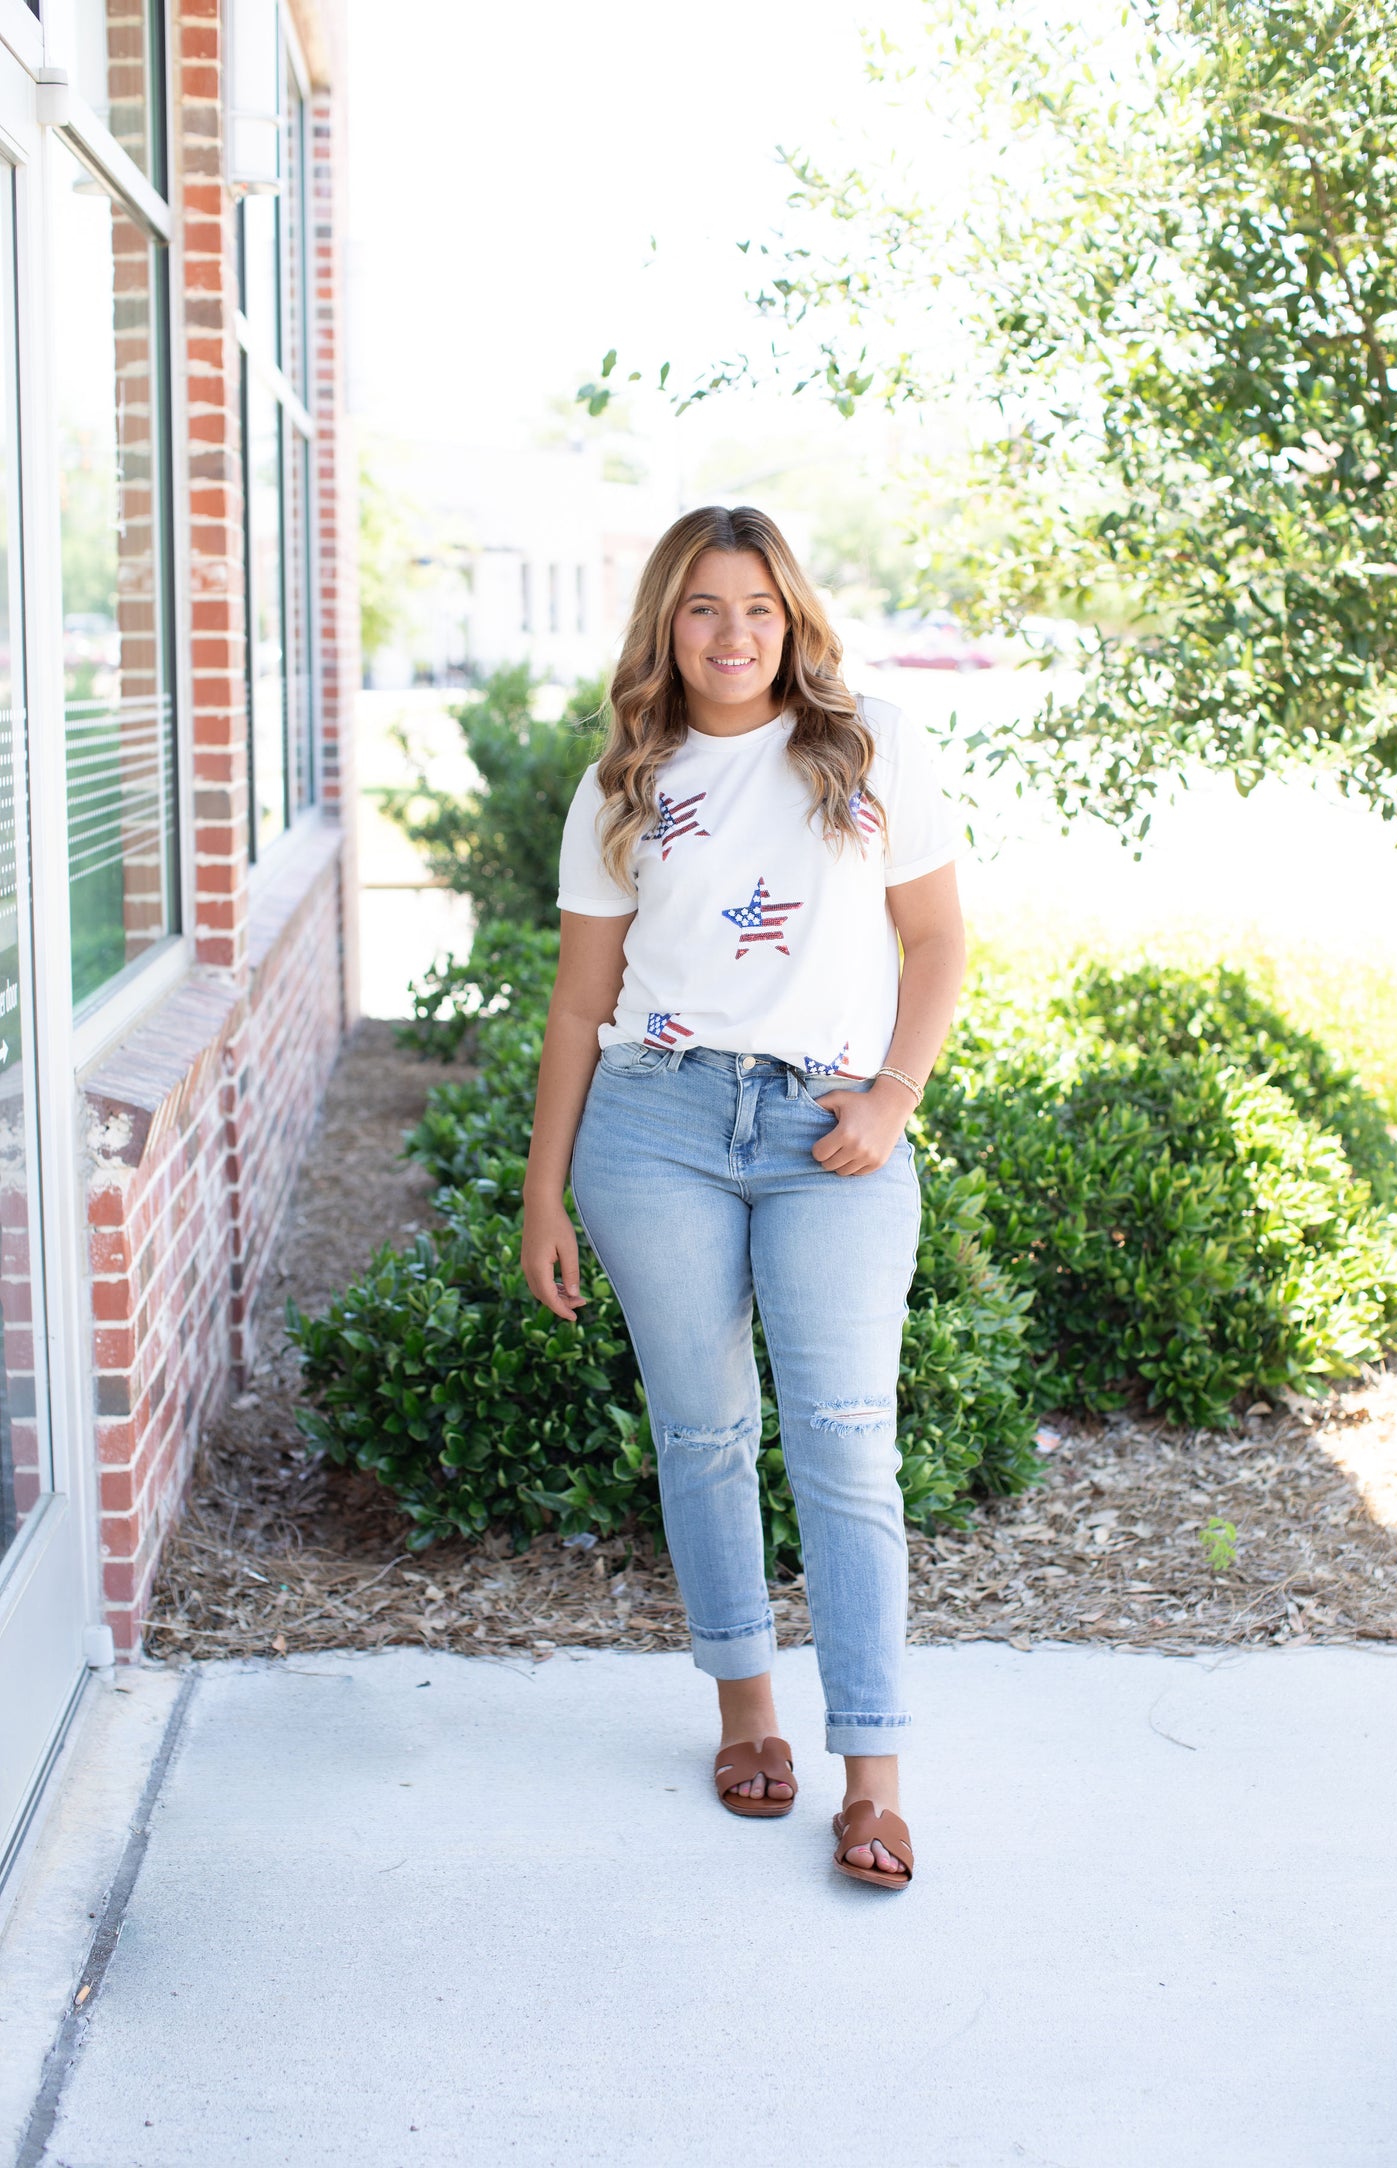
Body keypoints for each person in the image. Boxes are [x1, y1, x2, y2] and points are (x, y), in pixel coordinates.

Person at [521, 505, 966, 1889]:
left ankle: (874, 1778)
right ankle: (744, 1716)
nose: (731, 634)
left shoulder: (866, 742)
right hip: (653, 1126)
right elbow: (580, 1002)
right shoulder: (624, 787)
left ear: (793, 618)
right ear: (667, 622)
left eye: (758, 607)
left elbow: (937, 935)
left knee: (842, 1435)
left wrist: (893, 1095)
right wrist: (542, 1197)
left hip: (827, 1125)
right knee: (703, 1431)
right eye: (704, 608)